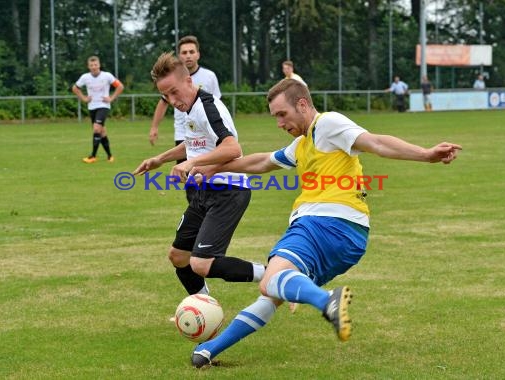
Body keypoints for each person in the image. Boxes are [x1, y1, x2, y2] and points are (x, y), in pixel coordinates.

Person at [189, 79, 461, 368]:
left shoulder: (328, 124)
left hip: (323, 223)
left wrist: (425, 154)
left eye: (282, 114)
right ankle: (209, 350)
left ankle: (326, 301)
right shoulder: (302, 145)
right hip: (351, 239)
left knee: (270, 281)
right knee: (273, 293)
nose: (279, 123)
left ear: (303, 104)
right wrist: (210, 168)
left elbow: (376, 142)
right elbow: (260, 163)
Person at [133, 52, 265, 305]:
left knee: (201, 263)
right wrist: (160, 159)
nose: (172, 100)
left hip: (227, 191)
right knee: (179, 257)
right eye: (166, 96)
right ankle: (204, 309)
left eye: (174, 92)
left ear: (189, 81)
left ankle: (276, 274)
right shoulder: (190, 108)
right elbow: (194, 143)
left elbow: (232, 148)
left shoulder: (207, 106)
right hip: (204, 192)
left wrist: (192, 162)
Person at [149, 35, 221, 154]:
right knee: (183, 170)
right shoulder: (172, 78)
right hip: (182, 132)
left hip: (205, 132)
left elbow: (217, 102)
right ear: (179, 56)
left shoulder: (209, 76)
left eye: (191, 52)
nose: (188, 55)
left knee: (204, 169)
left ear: (198, 54)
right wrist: (154, 127)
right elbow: (163, 102)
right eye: (184, 52)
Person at [72, 55, 124, 163]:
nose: (94, 67)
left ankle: (93, 156)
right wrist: (84, 98)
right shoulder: (85, 77)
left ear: (99, 65)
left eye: (95, 64)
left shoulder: (107, 76)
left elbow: (120, 86)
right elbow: (75, 88)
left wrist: (111, 98)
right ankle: (110, 156)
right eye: (91, 65)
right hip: (92, 107)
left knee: (96, 128)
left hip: (103, 106)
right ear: (88, 66)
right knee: (101, 132)